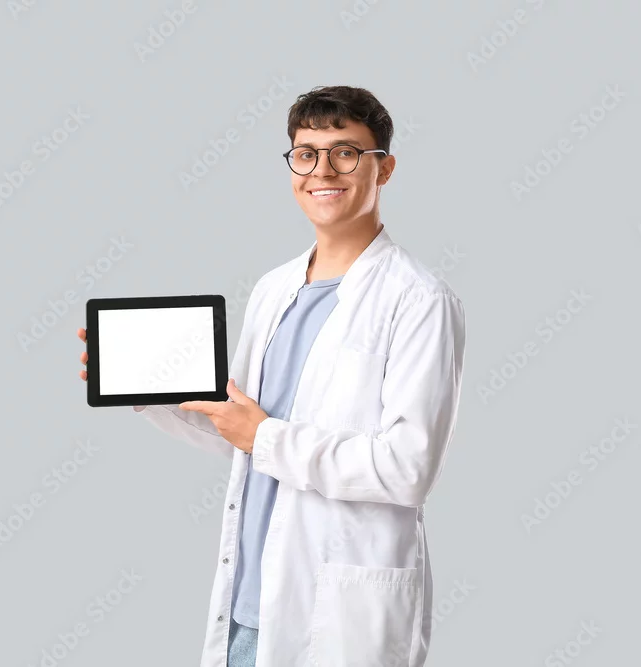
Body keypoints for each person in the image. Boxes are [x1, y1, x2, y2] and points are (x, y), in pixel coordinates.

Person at [77, 85, 465, 667]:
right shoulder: (274, 288)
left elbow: (407, 468)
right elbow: (243, 432)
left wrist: (264, 436)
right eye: (305, 154)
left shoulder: (419, 299)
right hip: (247, 610)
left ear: (383, 168)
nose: (322, 171)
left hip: (339, 617)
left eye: (345, 152)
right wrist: (145, 389)